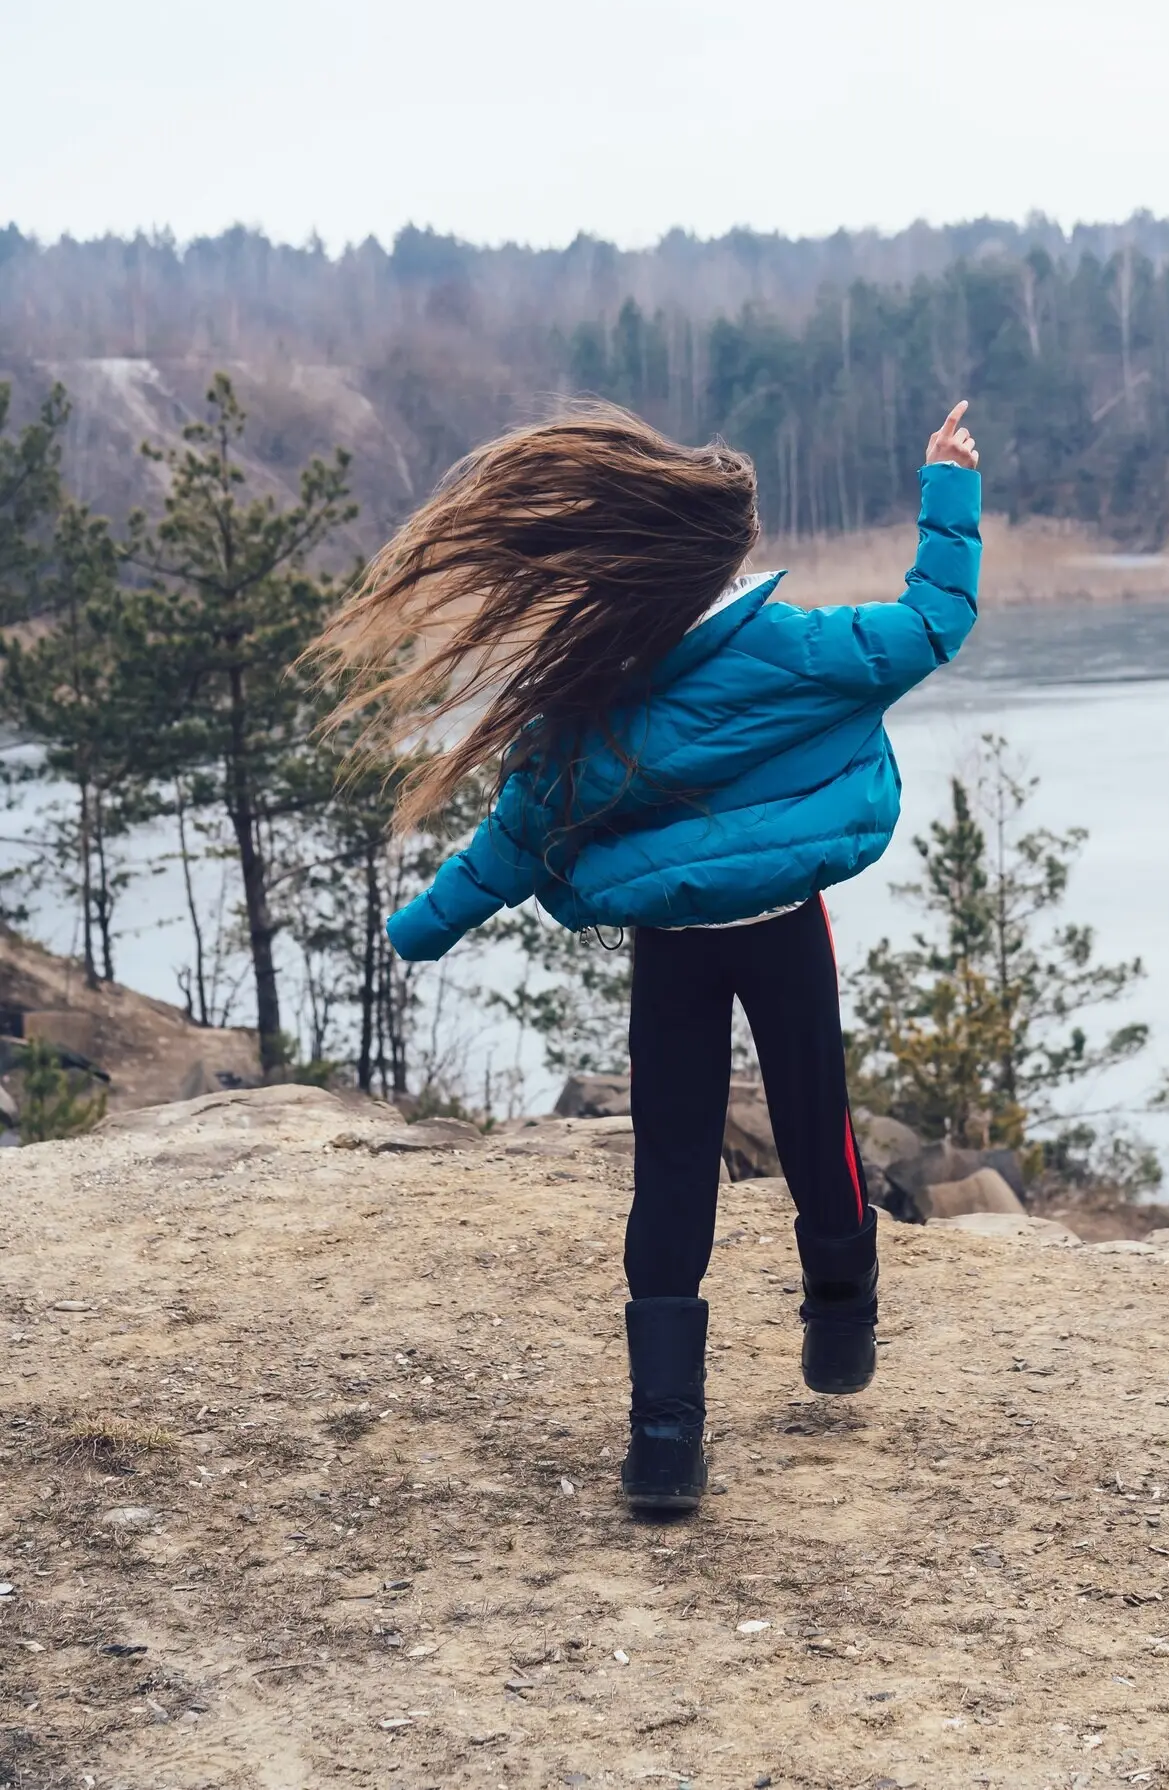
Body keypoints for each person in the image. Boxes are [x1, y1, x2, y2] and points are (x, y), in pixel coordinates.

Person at [313, 399, 981, 1514]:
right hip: (781, 933)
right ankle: (838, 1308)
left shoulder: (594, 699)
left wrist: (419, 929)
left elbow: (511, 846)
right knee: (818, 1127)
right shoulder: (797, 645)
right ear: (728, 556)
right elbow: (934, 620)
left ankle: (664, 1443)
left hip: (672, 951)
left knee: (673, 1169)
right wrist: (946, 485)